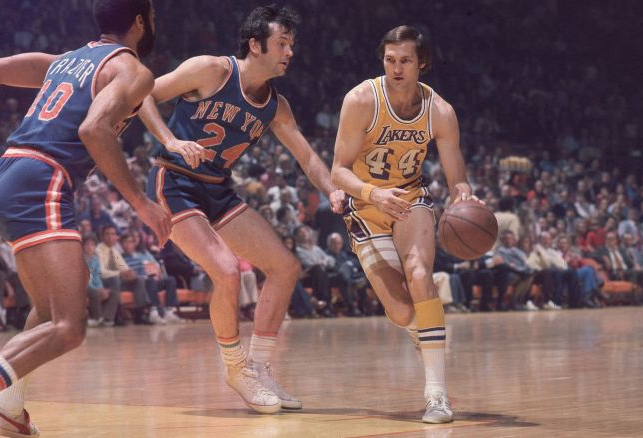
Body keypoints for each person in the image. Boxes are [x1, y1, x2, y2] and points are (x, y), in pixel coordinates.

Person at [0, 1, 173, 437]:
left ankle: (8, 409)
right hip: (42, 178)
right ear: (140, 22)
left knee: (49, 311)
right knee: (70, 326)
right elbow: (94, 130)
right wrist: (140, 204)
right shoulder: (131, 68)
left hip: (4, 172)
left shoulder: (66, 61)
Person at [140, 5, 344, 413]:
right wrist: (171, 139)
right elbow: (140, 91)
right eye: (281, 43)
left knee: (286, 267)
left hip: (217, 190)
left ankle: (261, 368)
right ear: (255, 44)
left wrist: (333, 191)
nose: (289, 52)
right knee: (227, 271)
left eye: (291, 44)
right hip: (175, 181)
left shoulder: (275, 106)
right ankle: (236, 370)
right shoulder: (212, 70)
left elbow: (307, 158)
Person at [331, 25, 475, 423]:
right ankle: (423, 331)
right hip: (366, 203)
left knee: (418, 272)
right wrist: (374, 194)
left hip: (411, 199)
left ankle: (437, 395)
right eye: (390, 60)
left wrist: (464, 195)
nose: (396, 68)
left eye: (405, 61)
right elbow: (338, 171)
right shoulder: (361, 100)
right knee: (399, 311)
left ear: (422, 64)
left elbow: (456, 177)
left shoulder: (440, 111)